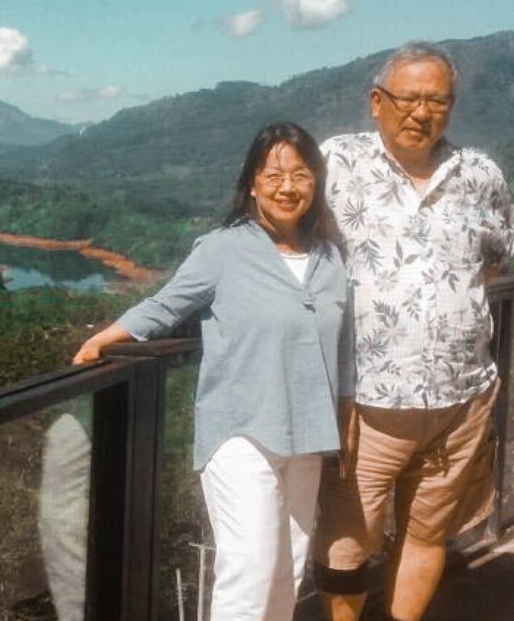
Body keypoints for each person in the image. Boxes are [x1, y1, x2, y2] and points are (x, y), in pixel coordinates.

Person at [73, 122, 352, 621]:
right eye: (273, 176)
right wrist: (104, 338)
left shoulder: (329, 256)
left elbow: (344, 347)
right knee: (249, 569)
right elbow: (165, 305)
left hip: (308, 436)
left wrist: (347, 421)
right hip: (241, 433)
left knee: (287, 571)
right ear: (252, 184)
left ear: (317, 181)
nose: (287, 187)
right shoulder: (224, 248)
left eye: (300, 174)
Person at [313, 42, 514, 621]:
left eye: (438, 101)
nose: (422, 113)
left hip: (461, 399)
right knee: (346, 544)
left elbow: (493, 262)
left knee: (428, 533)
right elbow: (284, 246)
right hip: (365, 405)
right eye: (408, 99)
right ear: (376, 101)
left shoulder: (480, 174)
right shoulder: (337, 164)